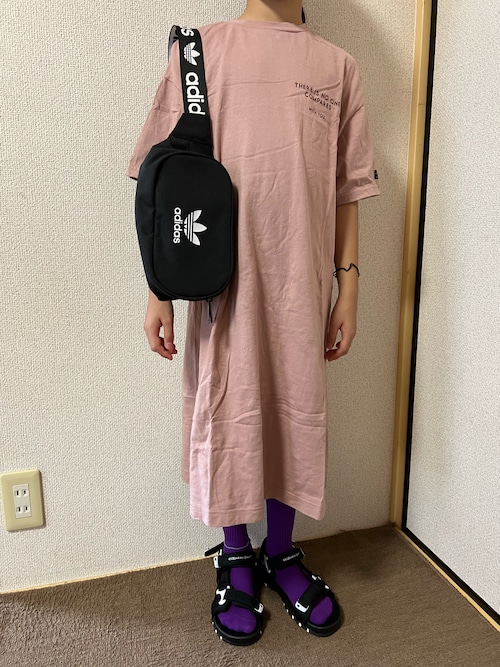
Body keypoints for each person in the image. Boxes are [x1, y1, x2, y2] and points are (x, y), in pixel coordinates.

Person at [128, 0, 380, 646]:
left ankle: (282, 551)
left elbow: (348, 187)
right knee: (229, 412)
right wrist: (158, 290)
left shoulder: (337, 67)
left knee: (294, 410)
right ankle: (236, 553)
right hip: (222, 289)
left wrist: (349, 284)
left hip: (299, 285)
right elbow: (161, 183)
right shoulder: (197, 53)